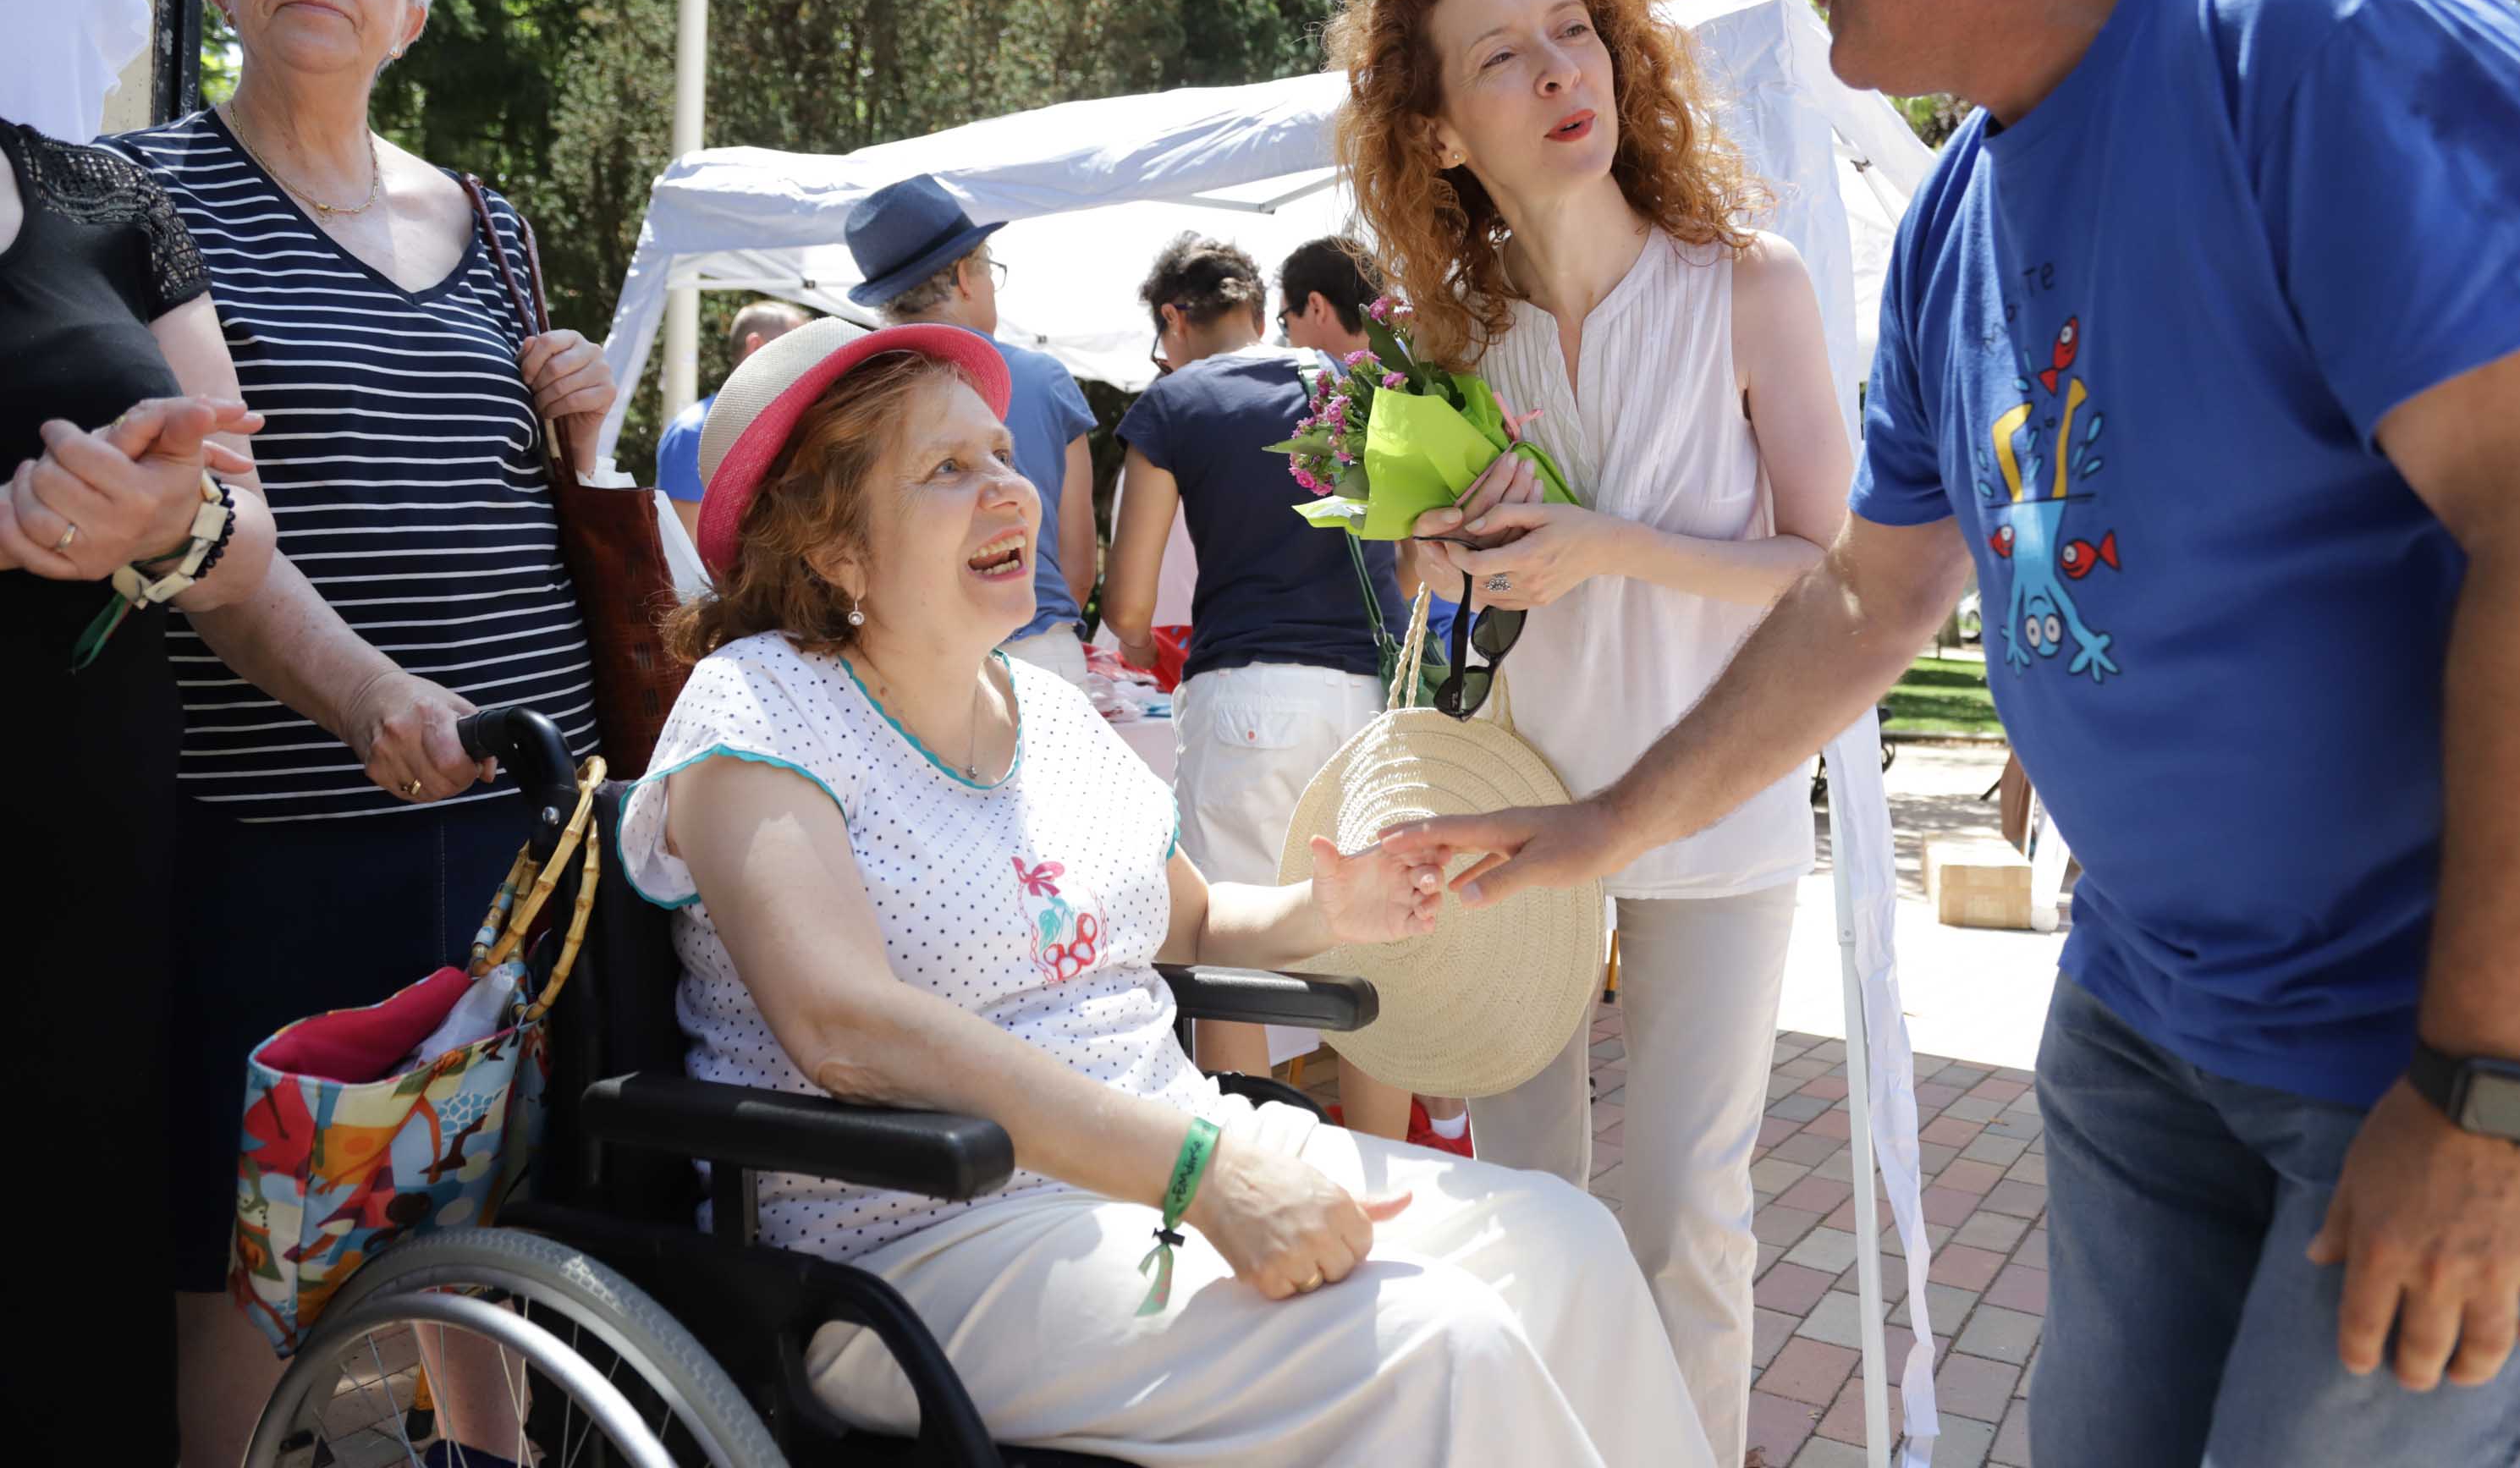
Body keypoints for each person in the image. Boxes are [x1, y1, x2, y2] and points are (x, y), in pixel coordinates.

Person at [1384, 0, 2520, 1464]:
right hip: (2140, 1028)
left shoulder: (2299, 29)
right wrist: (1599, 829)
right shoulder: (1954, 212)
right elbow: (1867, 590)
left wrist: (2493, 1088)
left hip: (2405, 1056)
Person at [624, 316, 1709, 1466]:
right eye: (947, 470)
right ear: (830, 544)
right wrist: (1198, 1173)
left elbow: (1183, 920)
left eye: (1001, 454)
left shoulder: (1044, 708)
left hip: (1155, 1165)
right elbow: (843, 1025)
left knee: (1568, 1247)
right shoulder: (759, 710)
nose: (1010, 491)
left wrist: (1325, 910)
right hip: (913, 1238)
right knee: (1441, 1348)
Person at [1325, 0, 1857, 1468]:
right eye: (1502, 57)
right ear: (1435, 133)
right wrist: (1436, 558)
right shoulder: (1444, 348)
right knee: (1525, 1203)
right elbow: (1444, 595)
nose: (1560, 72)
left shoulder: (1749, 285)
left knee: (1688, 1206)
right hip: (1517, 806)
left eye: (1574, 32)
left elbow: (1837, 580)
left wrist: (1604, 541)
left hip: (1717, 805)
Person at [105, 0, 617, 1461]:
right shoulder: (136, 194)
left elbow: (537, 500)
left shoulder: (499, 221)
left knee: (494, 1227)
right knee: (246, 1266)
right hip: (281, 827)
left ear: (410, 10)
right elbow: (192, 530)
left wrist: (591, 436)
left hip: (525, 818)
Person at [0, 0, 277, 1449]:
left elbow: (246, 517)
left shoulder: (101, 196)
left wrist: (173, 510)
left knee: (76, 1329)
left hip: (90, 897)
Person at [1103, 234, 1431, 1146]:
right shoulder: (1356, 386)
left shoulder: (1174, 403)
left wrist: (1147, 643)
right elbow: (1409, 557)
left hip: (1246, 690)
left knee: (1225, 941)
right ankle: (1386, 1170)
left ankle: (1253, 1168)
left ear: (1175, 319)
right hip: (1369, 696)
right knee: (1373, 942)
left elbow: (1129, 599)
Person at [846, 173, 1098, 685]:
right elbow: (1077, 561)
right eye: (990, 271)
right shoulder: (1043, 379)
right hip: (1035, 644)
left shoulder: (855, 395)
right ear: (964, 276)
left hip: (904, 653)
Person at [657, 299, 810, 543]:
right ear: (756, 346)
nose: (809, 365)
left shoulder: (773, 427)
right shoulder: (697, 431)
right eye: (798, 350)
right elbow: (688, 549)